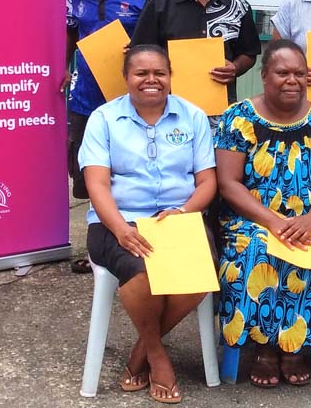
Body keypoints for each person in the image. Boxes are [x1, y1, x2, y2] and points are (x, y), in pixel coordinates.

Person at [214, 39, 311, 387]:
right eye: (282, 72)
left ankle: (299, 346)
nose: (292, 80)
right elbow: (228, 183)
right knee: (256, 252)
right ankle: (263, 347)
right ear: (264, 76)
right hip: (254, 217)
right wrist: (273, 221)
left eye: (298, 73)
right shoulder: (240, 117)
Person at [79, 44, 217, 403]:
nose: (151, 80)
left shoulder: (193, 117)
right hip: (118, 220)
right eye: (141, 73)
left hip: (178, 217)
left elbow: (207, 182)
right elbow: (96, 184)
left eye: (159, 73)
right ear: (126, 78)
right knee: (140, 272)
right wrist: (121, 229)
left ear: (171, 76)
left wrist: (185, 212)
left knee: (201, 271)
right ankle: (157, 356)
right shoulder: (104, 119)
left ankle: (141, 350)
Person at [63, 0, 151, 205]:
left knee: (127, 171)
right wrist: (62, 66)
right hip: (85, 99)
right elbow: (69, 32)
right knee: (86, 173)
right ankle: (96, 237)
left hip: (127, 99)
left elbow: (153, 43)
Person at [130, 0, 261, 109]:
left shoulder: (238, 5)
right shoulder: (158, 2)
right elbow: (139, 53)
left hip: (219, 112)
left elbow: (249, 53)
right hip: (166, 110)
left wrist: (235, 68)